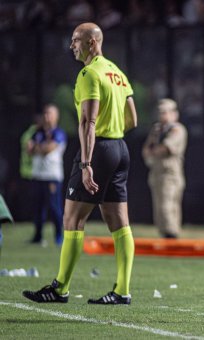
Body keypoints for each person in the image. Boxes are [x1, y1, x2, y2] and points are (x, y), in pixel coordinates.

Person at [23, 22, 137, 305]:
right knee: (119, 222)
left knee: (73, 219)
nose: (71, 45)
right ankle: (122, 290)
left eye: (76, 40)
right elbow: (133, 119)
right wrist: (113, 134)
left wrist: (87, 163)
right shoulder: (117, 72)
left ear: (92, 43)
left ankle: (60, 288)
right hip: (120, 148)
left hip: (97, 149)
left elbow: (88, 121)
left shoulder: (89, 73)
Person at [142, 98, 188, 239]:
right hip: (156, 172)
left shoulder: (177, 129)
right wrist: (152, 150)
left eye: (165, 112)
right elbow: (146, 149)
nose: (162, 115)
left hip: (170, 174)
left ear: (174, 113)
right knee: (159, 209)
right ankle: (164, 236)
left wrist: (153, 150)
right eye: (160, 112)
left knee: (168, 207)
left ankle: (172, 236)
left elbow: (166, 148)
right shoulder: (157, 129)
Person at [27, 104, 67, 246]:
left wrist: (39, 147)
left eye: (49, 113)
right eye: (45, 113)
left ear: (56, 116)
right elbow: (29, 149)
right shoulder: (37, 132)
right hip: (38, 175)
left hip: (52, 176)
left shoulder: (59, 133)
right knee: (38, 207)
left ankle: (59, 236)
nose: (46, 116)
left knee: (54, 207)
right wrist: (41, 147)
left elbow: (48, 149)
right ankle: (38, 236)